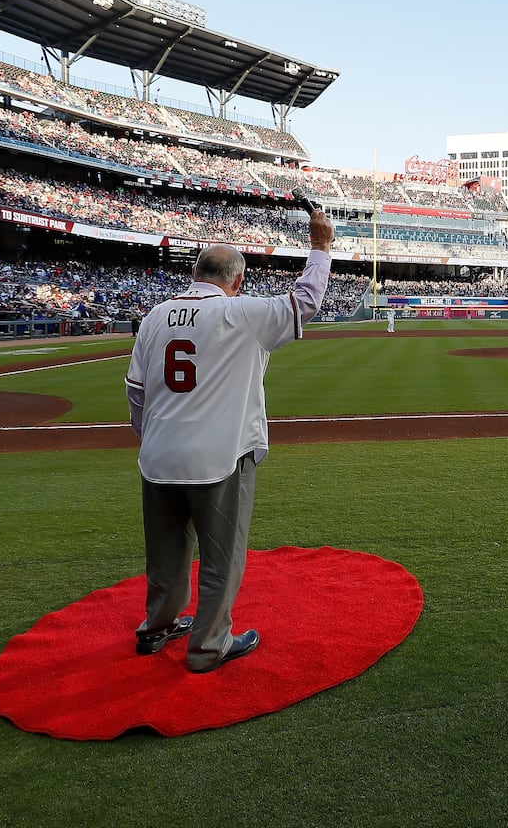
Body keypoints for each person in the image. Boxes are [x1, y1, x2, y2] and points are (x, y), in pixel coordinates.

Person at [125, 208, 334, 673]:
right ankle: (209, 645)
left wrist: (153, 435)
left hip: (157, 457)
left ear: (193, 273)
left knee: (165, 554)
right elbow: (305, 303)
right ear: (237, 281)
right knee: (222, 557)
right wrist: (320, 248)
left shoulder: (154, 317)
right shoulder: (241, 313)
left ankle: (157, 627)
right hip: (219, 456)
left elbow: (136, 392)